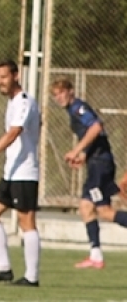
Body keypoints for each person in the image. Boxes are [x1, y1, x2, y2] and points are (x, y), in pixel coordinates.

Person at [50, 75, 127, 268]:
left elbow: (96, 127)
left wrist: (76, 150)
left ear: (71, 91)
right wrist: (84, 155)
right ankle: (96, 256)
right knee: (104, 211)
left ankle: (96, 255)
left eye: (62, 92)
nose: (59, 97)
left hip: (100, 166)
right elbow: (97, 139)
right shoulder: (72, 110)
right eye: (55, 95)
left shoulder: (78, 107)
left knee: (86, 206)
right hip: (97, 163)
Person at [0, 61, 40, 286]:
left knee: (27, 223)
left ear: (16, 76)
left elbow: (14, 133)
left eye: (4, 77)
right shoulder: (13, 103)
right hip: (12, 172)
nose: (0, 82)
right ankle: (4, 267)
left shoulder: (25, 102)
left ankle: (32, 277)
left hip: (25, 173)